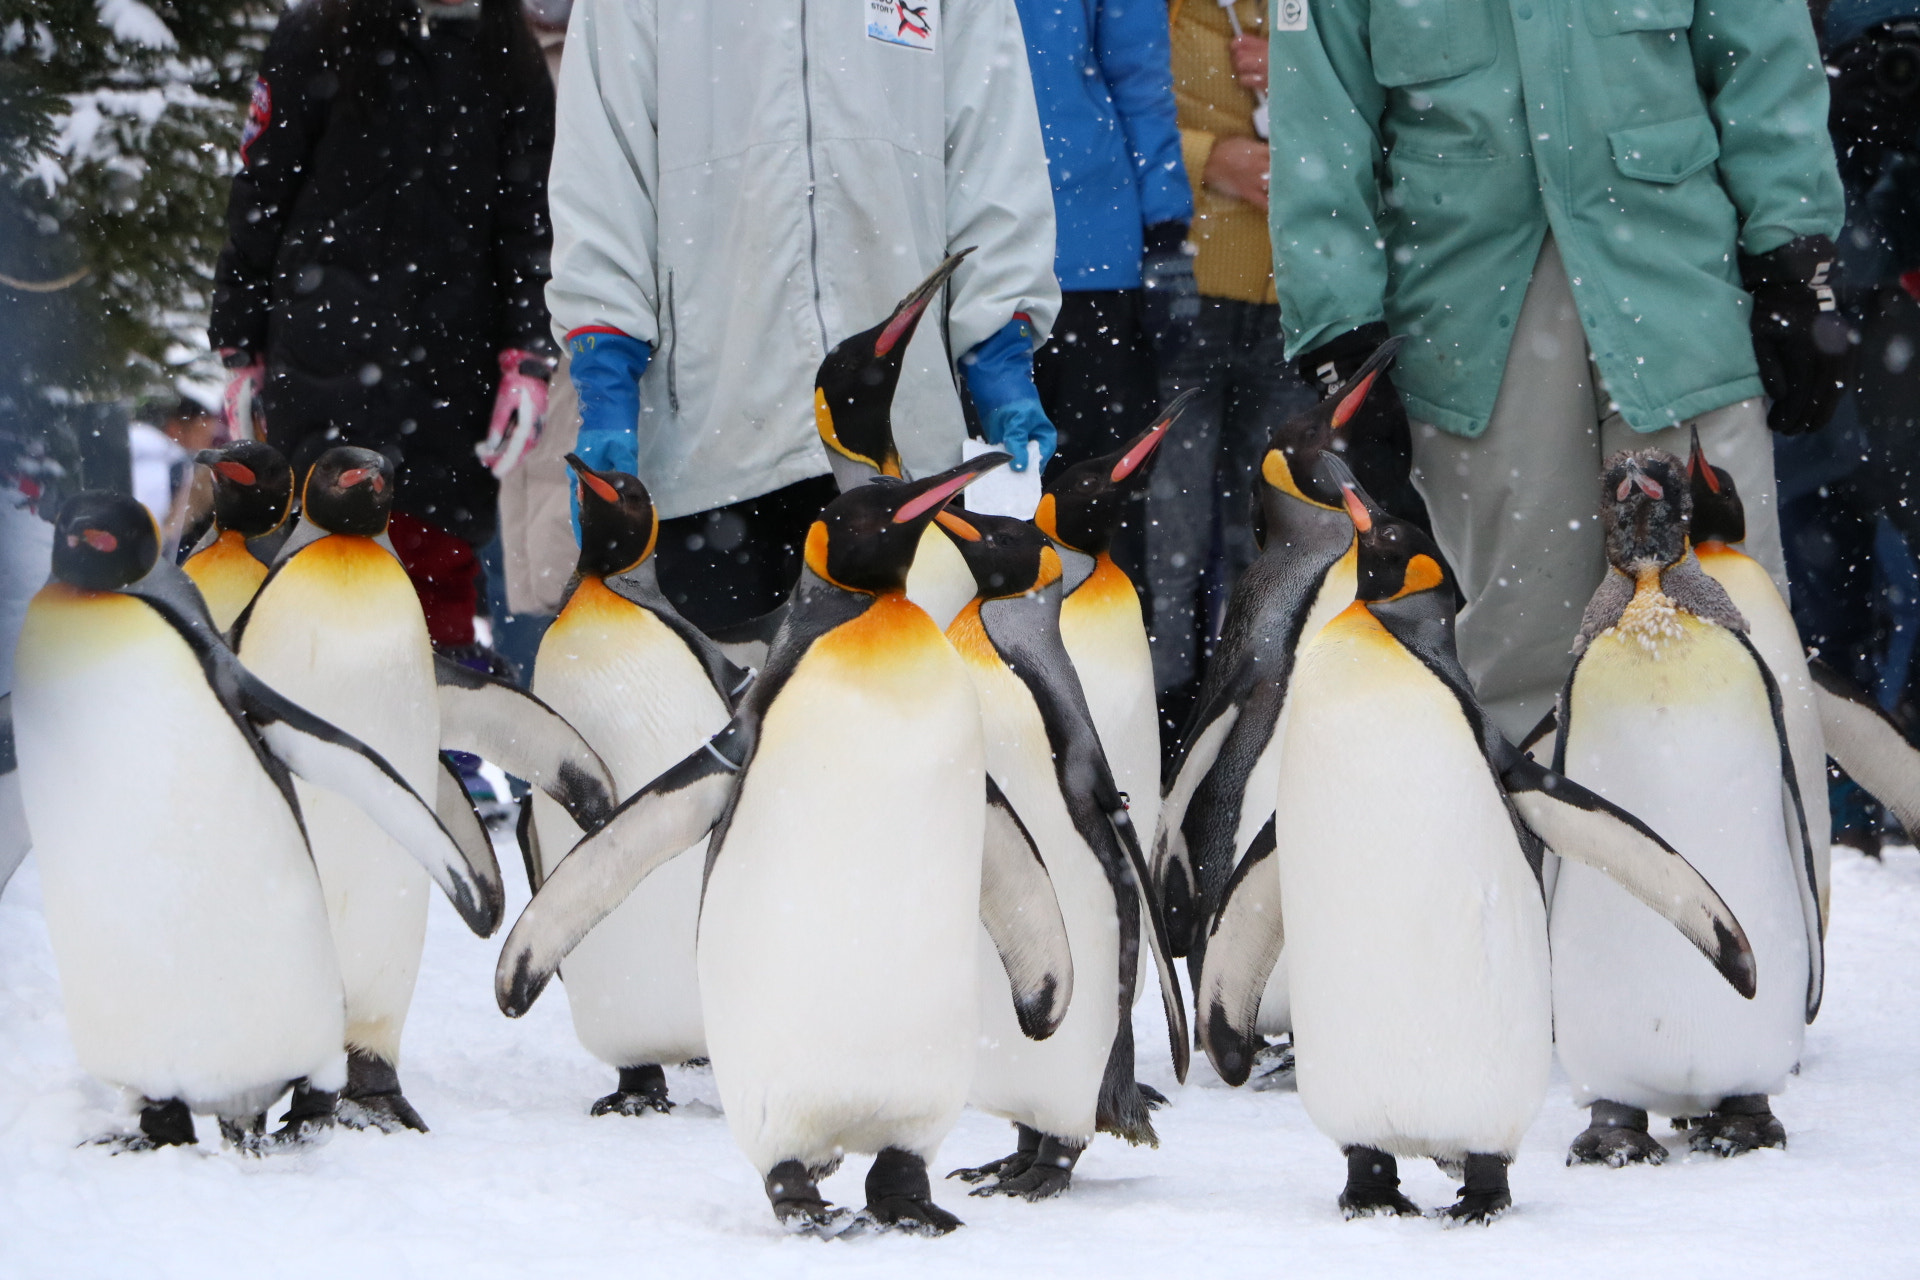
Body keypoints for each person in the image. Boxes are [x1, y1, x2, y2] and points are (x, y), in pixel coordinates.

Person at [1270, 0, 1847, 740]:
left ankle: (1736, 847)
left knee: (1729, 639)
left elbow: (1762, 56)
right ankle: (1543, 846)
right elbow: (1318, 116)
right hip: (1471, 325)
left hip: (1679, 305)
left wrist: (1796, 258)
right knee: (1524, 655)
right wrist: (1339, 338)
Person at [546, 0, 1060, 633]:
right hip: (710, 440)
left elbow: (992, 154)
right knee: (725, 718)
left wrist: (1000, 350)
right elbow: (603, 176)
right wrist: (606, 379)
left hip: (897, 448)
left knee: (905, 720)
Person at [208, 0, 557, 656]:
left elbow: (530, 223)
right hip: (322, 369)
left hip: (452, 382)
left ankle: (436, 740)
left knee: (434, 610)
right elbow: (261, 193)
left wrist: (528, 356)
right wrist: (238, 344)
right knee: (314, 597)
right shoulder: (318, 32)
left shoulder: (506, 52)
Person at [1145, 0, 1317, 741]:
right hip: (1181, 296)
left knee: (1276, 535)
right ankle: (1161, 726)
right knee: (1166, 541)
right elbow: (1086, 110)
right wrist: (1207, 157)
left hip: (1297, 302)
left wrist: (1303, 79)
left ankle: (1258, 721)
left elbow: (1395, 114)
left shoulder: (1314, 17)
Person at [1014, 0, 1193, 489]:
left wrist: (1166, 233)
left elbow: (1140, 78)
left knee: (1098, 507)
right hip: (957, 261)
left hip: (1094, 258)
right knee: (971, 511)